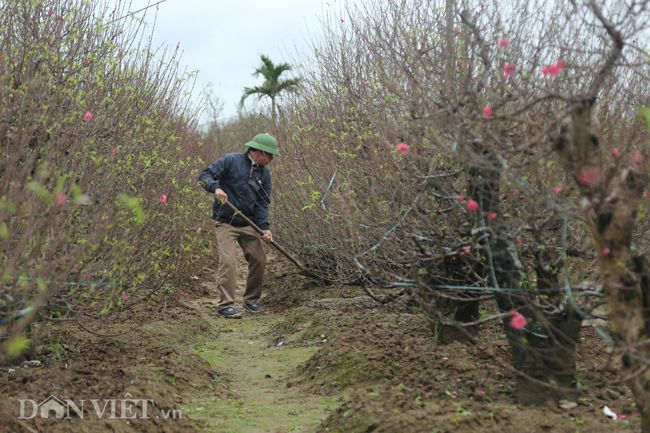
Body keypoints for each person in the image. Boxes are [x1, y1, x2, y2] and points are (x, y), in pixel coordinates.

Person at [198, 133, 278, 318]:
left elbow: (261, 204)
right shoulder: (231, 161)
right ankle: (225, 305)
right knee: (228, 262)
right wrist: (216, 188)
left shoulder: (264, 174)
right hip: (226, 222)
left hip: (249, 223)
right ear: (259, 152)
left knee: (260, 260)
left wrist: (265, 228)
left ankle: (251, 300)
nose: (272, 159)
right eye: (270, 155)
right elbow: (205, 175)